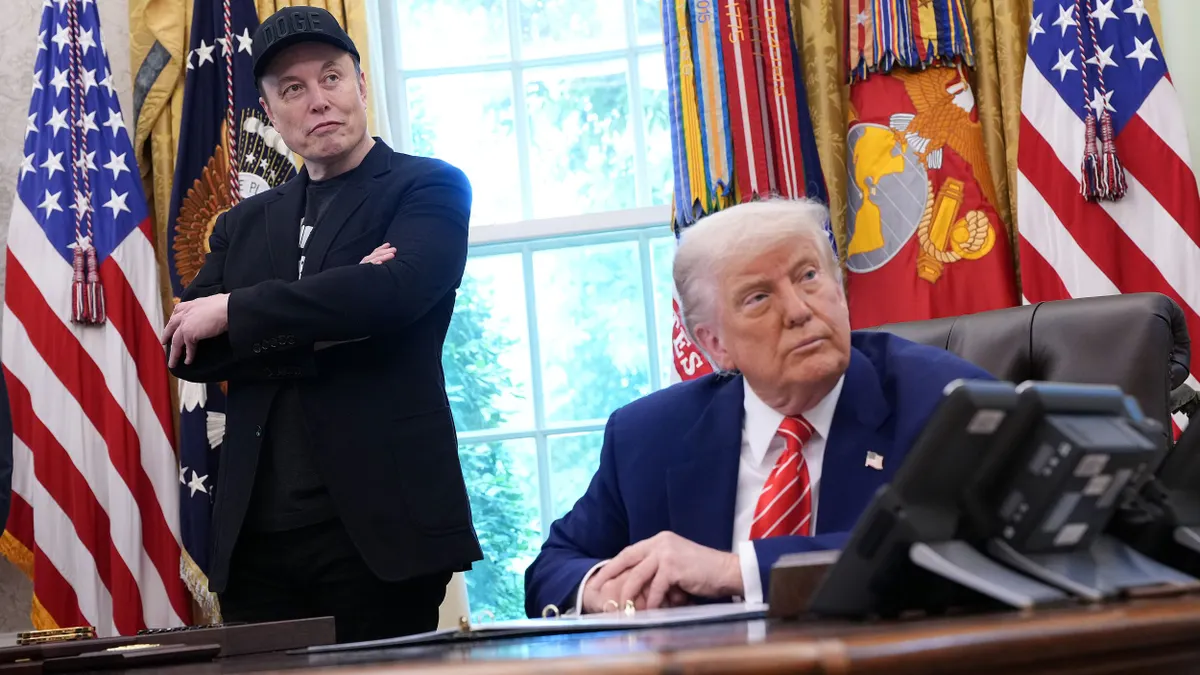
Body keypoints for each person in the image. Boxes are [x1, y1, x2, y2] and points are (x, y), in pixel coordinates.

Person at [160, 6, 481, 642]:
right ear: (270, 111)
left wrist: (236, 310)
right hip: (257, 539)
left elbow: (394, 294)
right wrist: (335, 310)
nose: (318, 101)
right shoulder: (239, 225)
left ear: (361, 85)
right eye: (293, 89)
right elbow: (188, 351)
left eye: (331, 78)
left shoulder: (428, 187)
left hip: (382, 529)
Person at [523, 199, 995, 617]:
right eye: (758, 297)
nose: (798, 310)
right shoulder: (648, 435)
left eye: (808, 276)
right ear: (713, 343)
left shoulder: (946, 400)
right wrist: (608, 590)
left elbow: (960, 550)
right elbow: (555, 566)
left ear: (838, 286)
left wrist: (736, 570)